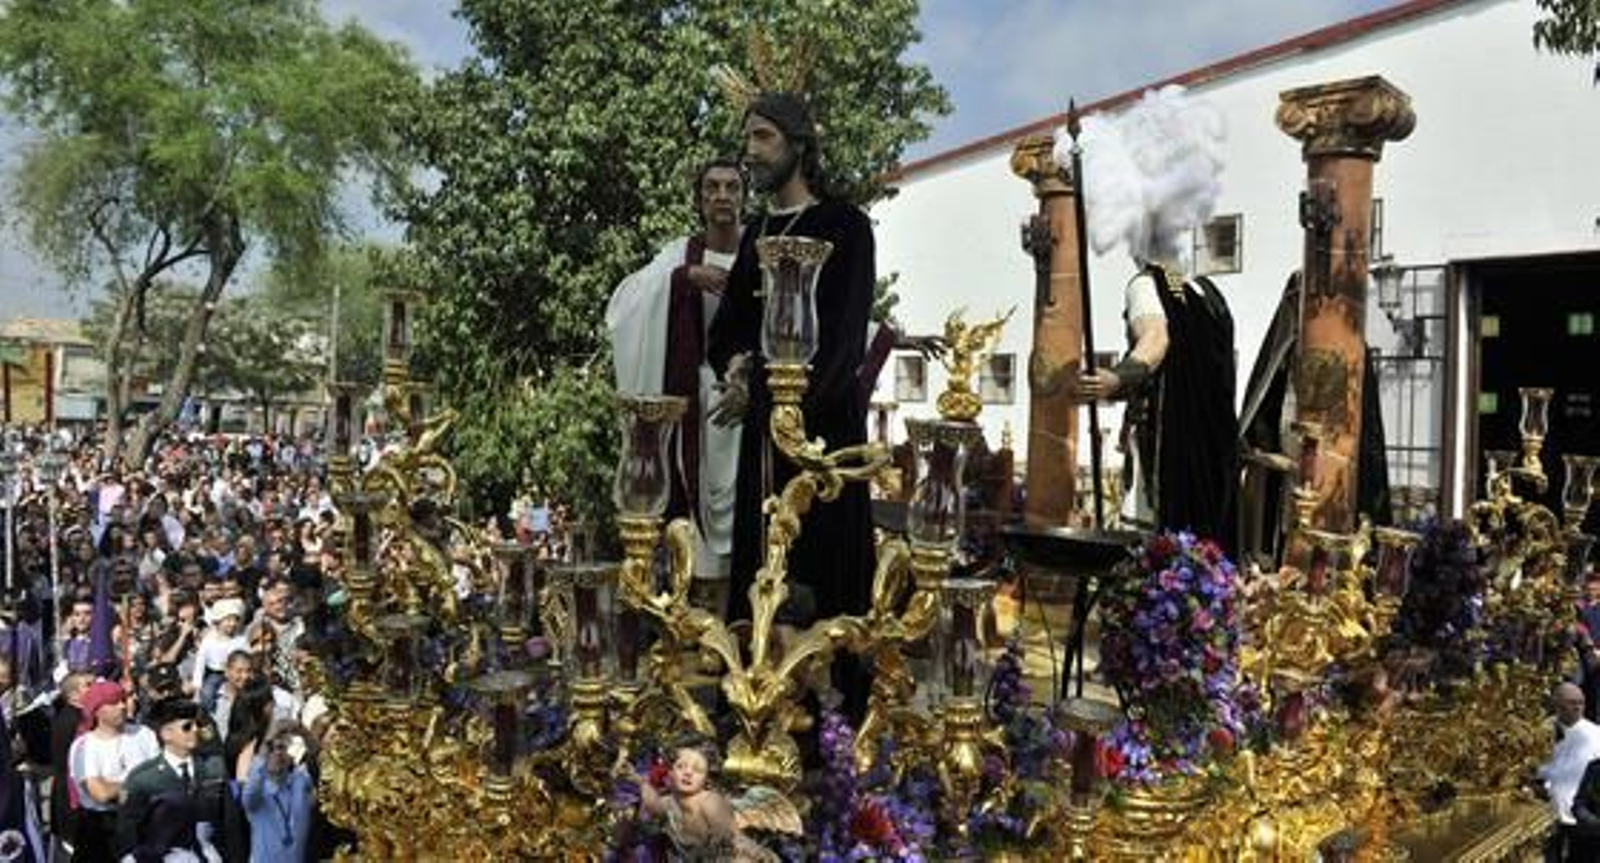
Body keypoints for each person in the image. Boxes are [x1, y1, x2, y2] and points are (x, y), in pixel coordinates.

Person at [706, 91, 876, 656]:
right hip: (761, 446)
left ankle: (831, 704)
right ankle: (754, 691)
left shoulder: (846, 225)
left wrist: (765, 395)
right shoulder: (756, 232)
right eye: (747, 137)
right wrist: (735, 368)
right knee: (760, 585)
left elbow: (844, 342)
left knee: (822, 595)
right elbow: (727, 330)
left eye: (763, 137)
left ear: (798, 145)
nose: (750, 151)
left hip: (824, 444)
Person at [1068, 85, 1237, 548]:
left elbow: (1155, 339)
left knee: (1157, 543)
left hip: (1171, 442)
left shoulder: (1146, 285)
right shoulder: (1210, 295)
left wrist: (1118, 378)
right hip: (1216, 445)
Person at [608, 158, 747, 616]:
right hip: (698, 408)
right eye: (712, 187)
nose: (722, 195)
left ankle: (742, 618)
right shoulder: (681, 254)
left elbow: (808, 307)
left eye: (732, 187)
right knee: (696, 520)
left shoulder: (760, 251)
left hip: (750, 406)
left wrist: (888, 336)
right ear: (700, 199)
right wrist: (681, 279)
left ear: (744, 196)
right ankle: (698, 616)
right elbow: (625, 305)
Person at [115, 699, 223, 860]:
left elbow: (227, 820)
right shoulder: (143, 779)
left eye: (197, 725)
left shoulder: (212, 768)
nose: (195, 730)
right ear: (166, 734)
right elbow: (127, 831)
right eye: (187, 727)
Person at [637, 740, 776, 863]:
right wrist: (639, 781)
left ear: (707, 779)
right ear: (670, 772)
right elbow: (653, 804)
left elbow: (734, 844)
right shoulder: (669, 802)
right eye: (680, 766)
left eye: (697, 770)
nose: (688, 773)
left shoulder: (710, 803)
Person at [68, 681, 159, 862]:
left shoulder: (144, 734)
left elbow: (162, 777)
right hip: (102, 829)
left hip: (144, 822)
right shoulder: (84, 746)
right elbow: (100, 794)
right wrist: (141, 783)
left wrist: (117, 787)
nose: (123, 706)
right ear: (97, 710)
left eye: (123, 700)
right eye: (114, 702)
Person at [1534, 682, 1600, 861]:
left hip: (1583, 820)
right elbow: (1533, 769)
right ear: (1557, 704)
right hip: (1545, 814)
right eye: (1572, 702)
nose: (1578, 707)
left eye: (1581, 702)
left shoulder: (1596, 734)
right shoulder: (1539, 731)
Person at [240, 721, 315, 863]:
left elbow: (319, 760)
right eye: (271, 749)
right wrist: (268, 738)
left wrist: (303, 732)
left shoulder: (301, 780)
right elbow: (250, 789)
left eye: (282, 748)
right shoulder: (257, 791)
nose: (277, 753)